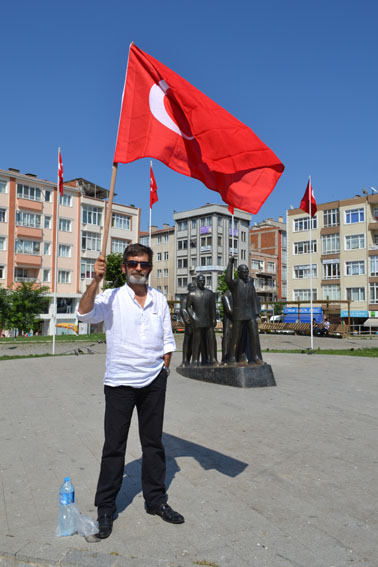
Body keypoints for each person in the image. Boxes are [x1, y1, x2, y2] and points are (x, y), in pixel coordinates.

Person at [77, 243, 184, 539]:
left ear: (150, 268)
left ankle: (156, 501)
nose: (139, 268)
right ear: (124, 267)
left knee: (153, 445)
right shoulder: (110, 297)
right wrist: (95, 281)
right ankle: (106, 508)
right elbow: (84, 314)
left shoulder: (159, 300)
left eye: (144, 264)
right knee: (114, 447)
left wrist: (163, 369)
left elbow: (167, 338)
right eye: (133, 263)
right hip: (120, 383)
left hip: (153, 382)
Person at [225, 257, 263, 364]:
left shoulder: (250, 284)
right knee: (236, 337)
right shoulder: (236, 284)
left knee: (254, 335)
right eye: (244, 272)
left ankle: (254, 356)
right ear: (239, 273)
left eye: (247, 272)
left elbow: (255, 299)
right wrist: (230, 263)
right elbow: (227, 279)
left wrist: (257, 313)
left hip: (250, 314)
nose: (246, 274)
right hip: (239, 314)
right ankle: (232, 357)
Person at [186, 274, 217, 366]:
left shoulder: (210, 293)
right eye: (200, 280)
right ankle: (195, 360)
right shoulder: (192, 294)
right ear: (196, 281)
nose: (202, 282)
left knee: (211, 340)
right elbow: (188, 307)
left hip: (208, 321)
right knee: (197, 341)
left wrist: (214, 319)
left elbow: (213, 308)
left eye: (203, 280)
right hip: (197, 321)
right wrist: (194, 317)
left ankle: (213, 358)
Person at [180, 282, 196, 367]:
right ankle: (185, 360)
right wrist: (187, 321)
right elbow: (183, 310)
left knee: (196, 342)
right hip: (189, 324)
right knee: (187, 342)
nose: (193, 288)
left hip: (197, 323)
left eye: (194, 286)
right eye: (191, 287)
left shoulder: (196, 297)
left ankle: (193, 359)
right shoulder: (185, 298)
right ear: (188, 289)